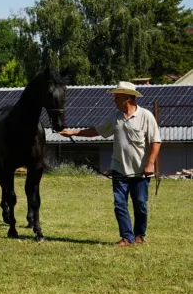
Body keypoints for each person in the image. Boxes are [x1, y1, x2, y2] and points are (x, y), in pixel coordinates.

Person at [60, 81, 161, 247]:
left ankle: (139, 235)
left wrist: (150, 164)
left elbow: (156, 142)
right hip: (119, 169)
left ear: (127, 98)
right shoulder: (115, 117)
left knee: (140, 205)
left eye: (117, 96)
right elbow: (97, 131)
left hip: (140, 172)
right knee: (119, 204)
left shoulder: (146, 116)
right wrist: (73, 132)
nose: (113, 99)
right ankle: (127, 238)